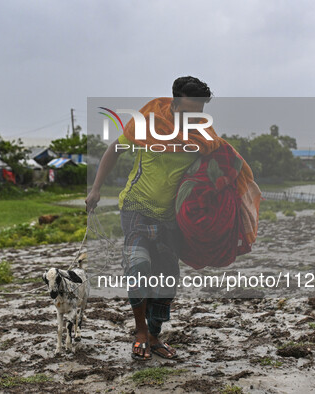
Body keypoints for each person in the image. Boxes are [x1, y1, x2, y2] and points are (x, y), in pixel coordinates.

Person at [86, 76, 218, 361]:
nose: (196, 118)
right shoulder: (149, 120)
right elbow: (115, 149)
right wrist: (96, 189)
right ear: (175, 103)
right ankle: (140, 332)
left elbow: (220, 166)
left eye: (201, 112)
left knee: (167, 277)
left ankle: (156, 335)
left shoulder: (203, 136)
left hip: (171, 216)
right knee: (138, 264)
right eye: (191, 111)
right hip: (136, 206)